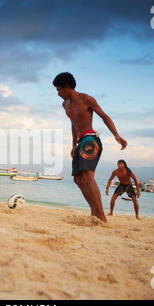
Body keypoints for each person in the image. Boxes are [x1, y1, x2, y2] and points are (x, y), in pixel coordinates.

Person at [53, 72, 127, 222]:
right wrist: (74, 145)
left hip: (91, 140)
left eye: (59, 90)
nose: (58, 94)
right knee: (78, 179)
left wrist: (116, 135)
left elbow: (104, 116)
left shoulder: (86, 99)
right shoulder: (65, 104)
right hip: (80, 142)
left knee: (87, 176)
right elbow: (73, 125)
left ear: (67, 87)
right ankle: (94, 210)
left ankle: (101, 216)